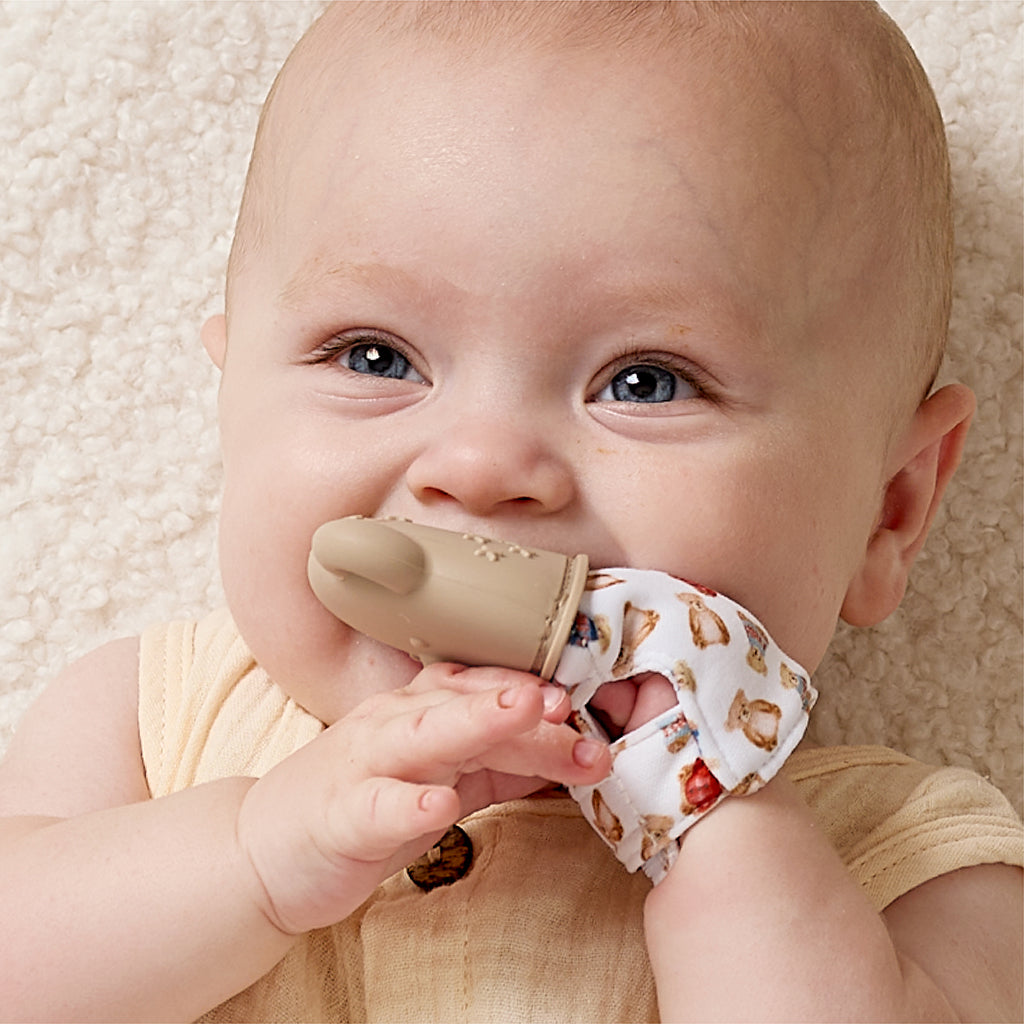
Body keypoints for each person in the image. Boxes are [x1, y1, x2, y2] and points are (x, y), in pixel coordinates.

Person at [1, 1, 1021, 1020]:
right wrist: (257, 858)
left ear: (889, 511)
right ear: (233, 411)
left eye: (647, 382)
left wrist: (725, 833)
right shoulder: (151, 721)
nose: (483, 470)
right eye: (375, 357)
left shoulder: (914, 857)